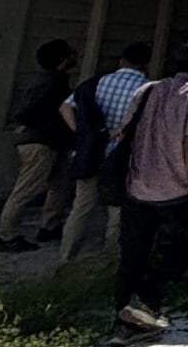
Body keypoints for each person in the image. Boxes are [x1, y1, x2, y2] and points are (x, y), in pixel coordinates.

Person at [112, 37, 188, 337]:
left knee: (133, 255)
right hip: (175, 188)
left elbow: (124, 131)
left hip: (137, 186)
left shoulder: (148, 89)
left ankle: (123, 321)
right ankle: (145, 301)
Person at [57, 42, 152, 263]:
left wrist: (83, 133)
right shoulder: (148, 90)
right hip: (123, 157)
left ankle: (65, 257)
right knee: (117, 209)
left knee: (81, 207)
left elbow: (65, 107)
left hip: (91, 153)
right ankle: (109, 259)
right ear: (146, 63)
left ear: (121, 61)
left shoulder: (95, 83)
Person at [0, 39, 77, 254]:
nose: (74, 57)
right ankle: (7, 236)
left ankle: (51, 225)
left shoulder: (50, 81)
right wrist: (25, 121)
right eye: (70, 53)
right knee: (25, 190)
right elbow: (28, 109)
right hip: (41, 143)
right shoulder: (51, 84)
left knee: (61, 184)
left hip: (51, 143)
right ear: (62, 60)